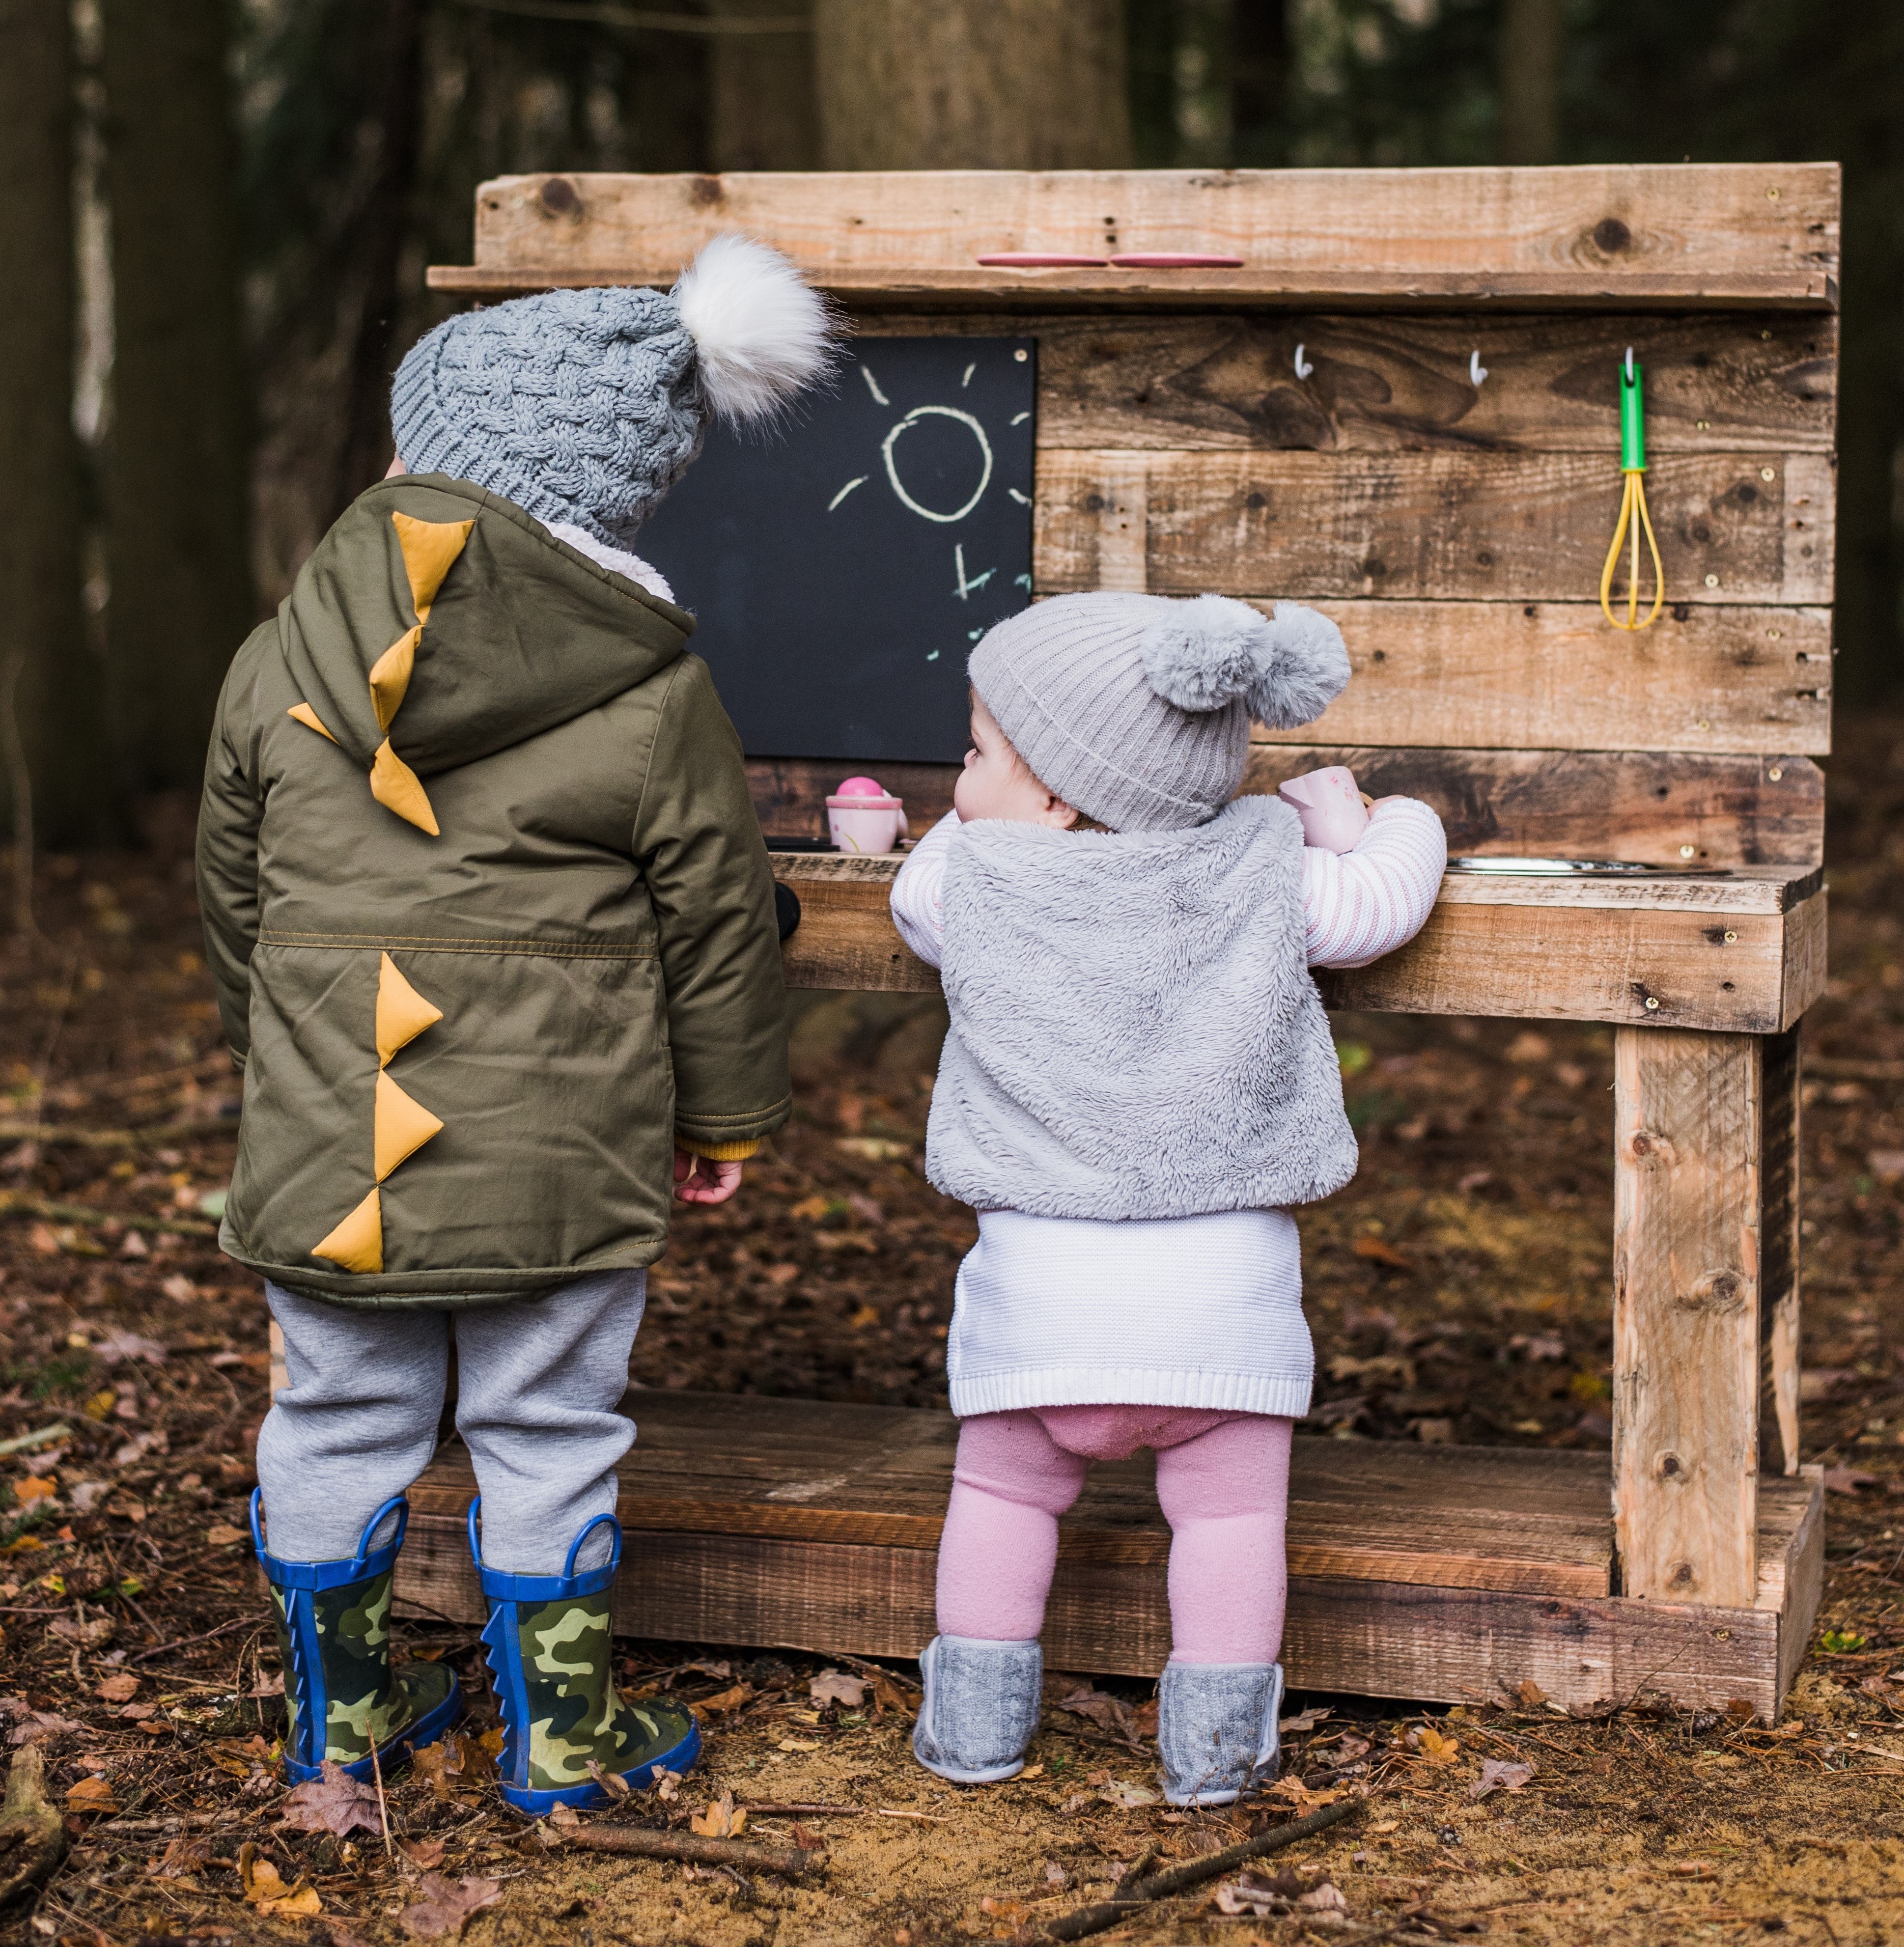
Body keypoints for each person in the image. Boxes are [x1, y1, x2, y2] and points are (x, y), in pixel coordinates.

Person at [196, 236, 834, 1812]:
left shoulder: (281, 652)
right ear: (618, 492)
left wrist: (277, 1059)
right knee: (549, 1420)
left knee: (335, 1411)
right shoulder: (651, 685)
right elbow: (712, 922)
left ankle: (341, 1723)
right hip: (564, 1156)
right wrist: (725, 1115)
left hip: (328, 1151)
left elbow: (235, 898)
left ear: (421, 455)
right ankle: (565, 1734)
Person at [890, 591, 1447, 1805]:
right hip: (1223, 1309)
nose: (957, 776)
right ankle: (1218, 1753)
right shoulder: (1272, 878)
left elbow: (917, 891)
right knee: (1232, 1527)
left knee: (997, 1494)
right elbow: (1384, 903)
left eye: (978, 750)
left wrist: (970, 824)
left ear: (1053, 796)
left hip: (1042, 1306)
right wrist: (1383, 819)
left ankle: (976, 1731)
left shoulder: (967, 883)